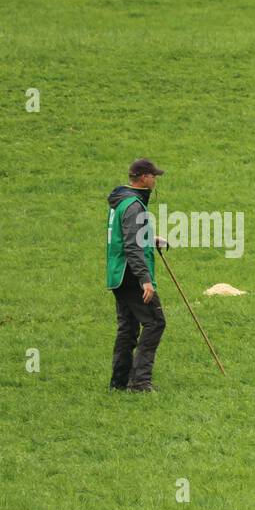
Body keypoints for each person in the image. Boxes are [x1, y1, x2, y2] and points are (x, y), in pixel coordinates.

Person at [106, 159, 169, 391]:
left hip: (118, 274)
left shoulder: (120, 202)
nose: (155, 180)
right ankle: (140, 382)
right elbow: (132, 246)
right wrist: (145, 280)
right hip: (132, 275)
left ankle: (119, 382)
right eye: (153, 176)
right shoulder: (133, 206)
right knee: (155, 322)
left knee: (128, 328)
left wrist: (151, 240)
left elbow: (126, 237)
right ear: (143, 177)